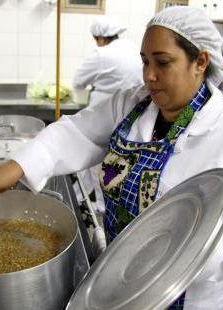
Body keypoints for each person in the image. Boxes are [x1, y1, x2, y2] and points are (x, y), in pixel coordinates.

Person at [0, 6, 223, 309]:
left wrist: (173, 252)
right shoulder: (133, 104)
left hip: (180, 294)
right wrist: (20, 164)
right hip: (118, 277)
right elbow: (78, 132)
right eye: (145, 61)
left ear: (200, 61)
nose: (150, 75)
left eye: (163, 62)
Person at [73, 16, 144, 212]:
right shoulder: (133, 49)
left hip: (103, 109)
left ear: (101, 38)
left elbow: (78, 81)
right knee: (120, 161)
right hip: (134, 113)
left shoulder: (101, 54)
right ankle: (108, 206)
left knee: (97, 160)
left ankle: (96, 207)